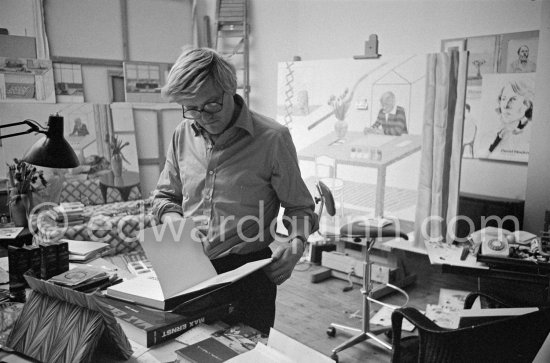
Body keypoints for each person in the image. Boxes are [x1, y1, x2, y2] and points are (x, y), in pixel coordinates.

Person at [152, 47, 318, 334]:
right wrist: (174, 223)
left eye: (212, 104)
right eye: (191, 108)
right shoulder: (182, 133)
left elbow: (300, 207)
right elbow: (165, 197)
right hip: (185, 264)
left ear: (231, 89)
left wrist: (296, 244)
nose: (202, 116)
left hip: (248, 273)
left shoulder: (272, 139)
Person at [483, 80, 534, 158]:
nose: (505, 106)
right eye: (503, 99)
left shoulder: (529, 137)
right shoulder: (492, 131)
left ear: (527, 104)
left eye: (513, 99)